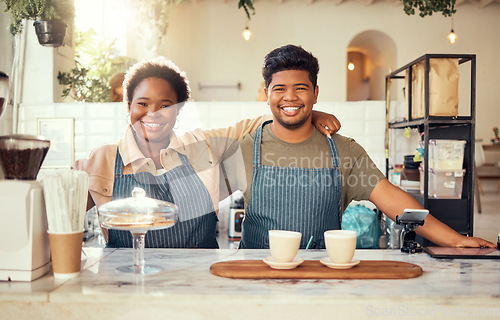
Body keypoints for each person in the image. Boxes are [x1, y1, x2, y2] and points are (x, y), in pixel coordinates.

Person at [238, 44, 496, 249]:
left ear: (315, 93)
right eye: (279, 88)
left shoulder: (345, 151)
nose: (290, 97)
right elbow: (203, 197)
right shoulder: (245, 147)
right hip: (253, 277)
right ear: (267, 94)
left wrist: (455, 239)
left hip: (321, 279)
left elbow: (394, 200)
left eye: (300, 88)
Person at [73, 56, 340, 249]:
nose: (153, 113)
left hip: (198, 289)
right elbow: (63, 218)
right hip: (127, 290)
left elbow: (258, 124)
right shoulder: (103, 160)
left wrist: (307, 112)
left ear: (178, 111)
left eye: (165, 105)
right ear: (128, 105)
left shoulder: (202, 145)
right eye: (142, 103)